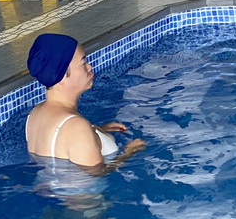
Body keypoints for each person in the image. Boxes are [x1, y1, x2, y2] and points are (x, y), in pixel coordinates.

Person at [25, 32, 146, 172]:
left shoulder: (35, 113)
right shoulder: (76, 127)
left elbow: (62, 148)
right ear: (63, 75)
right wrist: (129, 152)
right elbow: (97, 173)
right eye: (83, 63)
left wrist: (98, 130)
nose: (90, 67)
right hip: (86, 194)